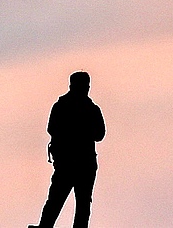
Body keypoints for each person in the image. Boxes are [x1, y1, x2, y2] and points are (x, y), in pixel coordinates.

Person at [34, 70, 105, 228]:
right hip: (71, 163)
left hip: (80, 163)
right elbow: (52, 128)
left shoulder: (87, 108)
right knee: (60, 199)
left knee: (79, 201)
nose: (86, 88)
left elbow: (100, 134)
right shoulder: (67, 107)